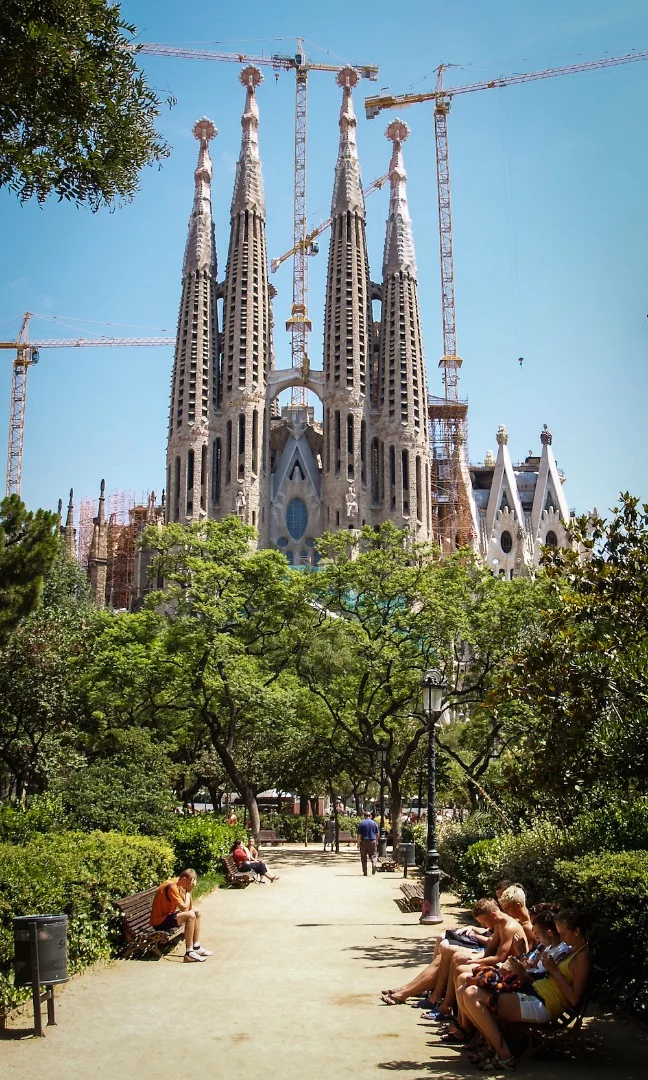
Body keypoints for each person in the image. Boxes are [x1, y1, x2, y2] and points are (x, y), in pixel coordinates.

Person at [455, 908, 591, 1071]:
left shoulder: (582, 956)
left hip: (545, 1003)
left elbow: (574, 999)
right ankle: (493, 1048)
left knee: (471, 995)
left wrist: (554, 970)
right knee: (467, 989)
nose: (561, 938)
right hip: (535, 991)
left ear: (576, 931)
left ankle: (504, 1055)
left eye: (563, 934)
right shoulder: (572, 949)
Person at [149, 868, 212, 963]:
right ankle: (189, 953)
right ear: (184, 879)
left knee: (196, 911)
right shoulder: (172, 887)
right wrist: (188, 891)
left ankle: (196, 947)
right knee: (190, 915)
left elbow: (189, 907)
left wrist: (188, 890)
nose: (192, 885)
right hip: (159, 922)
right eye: (191, 883)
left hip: (167, 916)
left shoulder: (179, 884)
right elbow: (185, 908)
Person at [357, 810, 379, 876]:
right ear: (370, 816)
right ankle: (374, 864)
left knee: (363, 857)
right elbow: (377, 833)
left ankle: (365, 872)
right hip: (372, 841)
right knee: (373, 855)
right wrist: (377, 841)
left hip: (364, 842)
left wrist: (358, 843)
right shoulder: (374, 823)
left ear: (364, 816)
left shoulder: (361, 823)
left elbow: (359, 835)